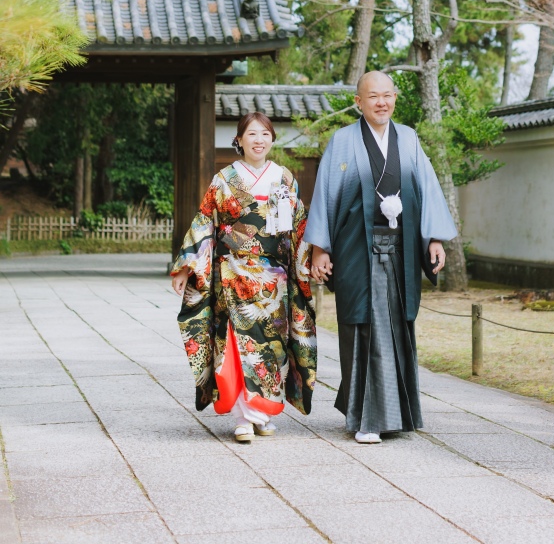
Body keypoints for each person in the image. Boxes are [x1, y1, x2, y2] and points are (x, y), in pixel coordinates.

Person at [305, 70, 456, 443]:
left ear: (395, 98)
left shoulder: (408, 138)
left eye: (388, 95)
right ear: (359, 102)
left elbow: (428, 188)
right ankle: (365, 418)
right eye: (373, 96)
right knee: (363, 326)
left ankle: (397, 414)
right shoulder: (342, 141)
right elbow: (326, 195)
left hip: (401, 247)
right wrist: (320, 248)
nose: (382, 102)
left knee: (397, 326)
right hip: (359, 248)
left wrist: (434, 239)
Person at [171, 111, 316, 444]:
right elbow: (204, 222)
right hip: (233, 273)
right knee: (237, 343)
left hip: (273, 278)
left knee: (272, 345)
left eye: (265, 134)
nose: (258, 140)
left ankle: (262, 412)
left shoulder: (285, 178)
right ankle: (243, 417)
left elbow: (300, 227)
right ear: (239, 140)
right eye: (251, 134)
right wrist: (186, 266)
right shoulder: (223, 178)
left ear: (272, 139)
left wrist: (312, 261)